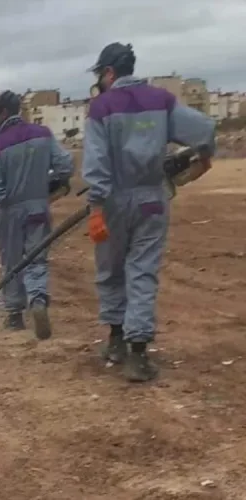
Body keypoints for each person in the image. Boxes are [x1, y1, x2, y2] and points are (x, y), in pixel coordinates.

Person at [82, 42, 216, 382]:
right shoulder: (161, 100)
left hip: (112, 201)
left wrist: (96, 207)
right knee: (142, 271)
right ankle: (138, 355)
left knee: (111, 270)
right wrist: (204, 156)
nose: (100, 80)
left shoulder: (101, 108)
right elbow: (204, 130)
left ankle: (115, 343)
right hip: (152, 200)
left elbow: (96, 163)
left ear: (110, 72)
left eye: (100, 74)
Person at [0, 90, 75, 340]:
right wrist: (48, 184)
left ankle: (14, 316)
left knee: (12, 262)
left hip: (10, 212)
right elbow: (65, 165)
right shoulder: (42, 134)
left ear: (2, 113)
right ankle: (38, 300)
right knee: (36, 257)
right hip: (38, 208)